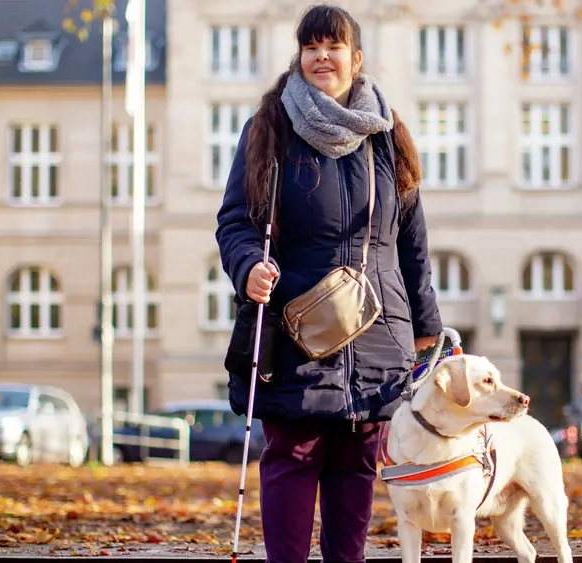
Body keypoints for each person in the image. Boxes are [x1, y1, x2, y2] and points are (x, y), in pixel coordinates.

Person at [215, 4, 442, 563]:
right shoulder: (269, 129)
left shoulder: (387, 137)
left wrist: (425, 325)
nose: (322, 56)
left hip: (377, 329)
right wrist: (249, 269)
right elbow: (235, 222)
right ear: (300, 57)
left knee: (358, 461)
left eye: (333, 46)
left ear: (355, 59)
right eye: (311, 47)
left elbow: (410, 239)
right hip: (296, 325)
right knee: (292, 455)